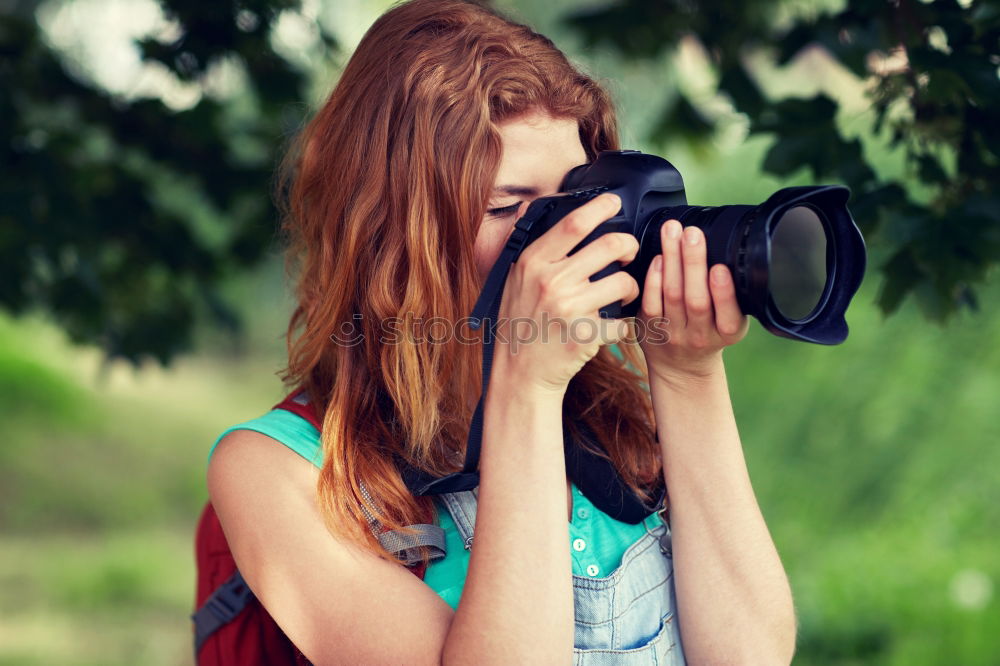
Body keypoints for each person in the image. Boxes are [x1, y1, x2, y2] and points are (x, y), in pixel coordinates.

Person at [205, 0, 797, 663]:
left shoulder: (612, 421)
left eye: (575, 200)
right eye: (508, 207)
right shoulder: (279, 471)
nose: (556, 238)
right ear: (388, 232)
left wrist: (688, 377)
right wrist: (525, 389)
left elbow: (751, 657)